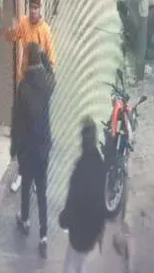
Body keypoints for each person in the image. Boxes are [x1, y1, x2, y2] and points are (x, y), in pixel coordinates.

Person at [7, 0, 57, 193]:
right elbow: (15, 36)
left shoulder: (45, 30)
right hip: (23, 84)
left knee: (37, 134)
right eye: (31, 7)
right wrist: (3, 30)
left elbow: (52, 60)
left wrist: (45, 83)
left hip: (38, 89)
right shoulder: (24, 23)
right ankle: (21, 173)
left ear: (40, 8)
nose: (34, 11)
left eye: (36, 8)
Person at [11, 43, 55, 258]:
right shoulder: (47, 84)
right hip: (43, 145)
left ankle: (25, 219)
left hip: (27, 148)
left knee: (26, 185)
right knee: (42, 189)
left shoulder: (22, 87)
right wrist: (45, 58)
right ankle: (44, 235)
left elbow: (17, 120)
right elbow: (52, 73)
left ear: (27, 60)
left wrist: (14, 147)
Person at [59, 117, 108, 273]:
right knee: (81, 263)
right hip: (91, 232)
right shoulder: (100, 166)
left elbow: (73, 201)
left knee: (71, 265)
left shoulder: (80, 168)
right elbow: (102, 204)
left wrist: (64, 219)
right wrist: (100, 231)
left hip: (78, 232)